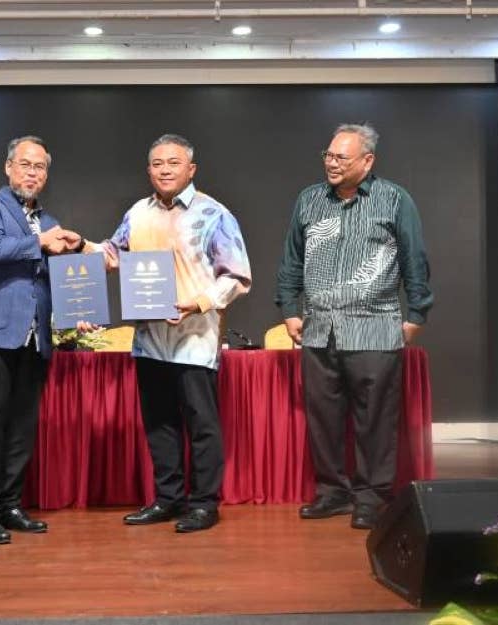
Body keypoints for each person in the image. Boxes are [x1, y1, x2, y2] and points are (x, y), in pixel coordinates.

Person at [81, 133, 252, 532]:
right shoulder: (138, 212)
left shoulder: (214, 215)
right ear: (149, 170)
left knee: (202, 425)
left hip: (195, 339)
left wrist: (200, 302)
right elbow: (113, 254)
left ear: (190, 169)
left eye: (173, 163)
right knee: (159, 423)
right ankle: (168, 499)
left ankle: (204, 504)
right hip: (150, 340)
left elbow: (238, 276)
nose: (165, 170)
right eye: (157, 163)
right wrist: (81, 245)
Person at [275, 123, 433, 530]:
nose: (331, 163)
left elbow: (415, 260)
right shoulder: (309, 200)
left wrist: (415, 314)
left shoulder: (395, 199)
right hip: (318, 327)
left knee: (375, 419)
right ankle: (332, 493)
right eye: (328, 155)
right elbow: (291, 259)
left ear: (367, 161)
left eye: (341, 157)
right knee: (323, 416)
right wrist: (290, 308)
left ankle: (371, 496)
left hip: (375, 325)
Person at [0, 135, 83, 544]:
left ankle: (9, 504)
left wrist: (78, 308)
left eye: (40, 167)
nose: (32, 172)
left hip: (34, 338)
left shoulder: (49, 221)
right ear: (8, 167)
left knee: (21, 428)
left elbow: (53, 279)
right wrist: (43, 243)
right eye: (25, 164)